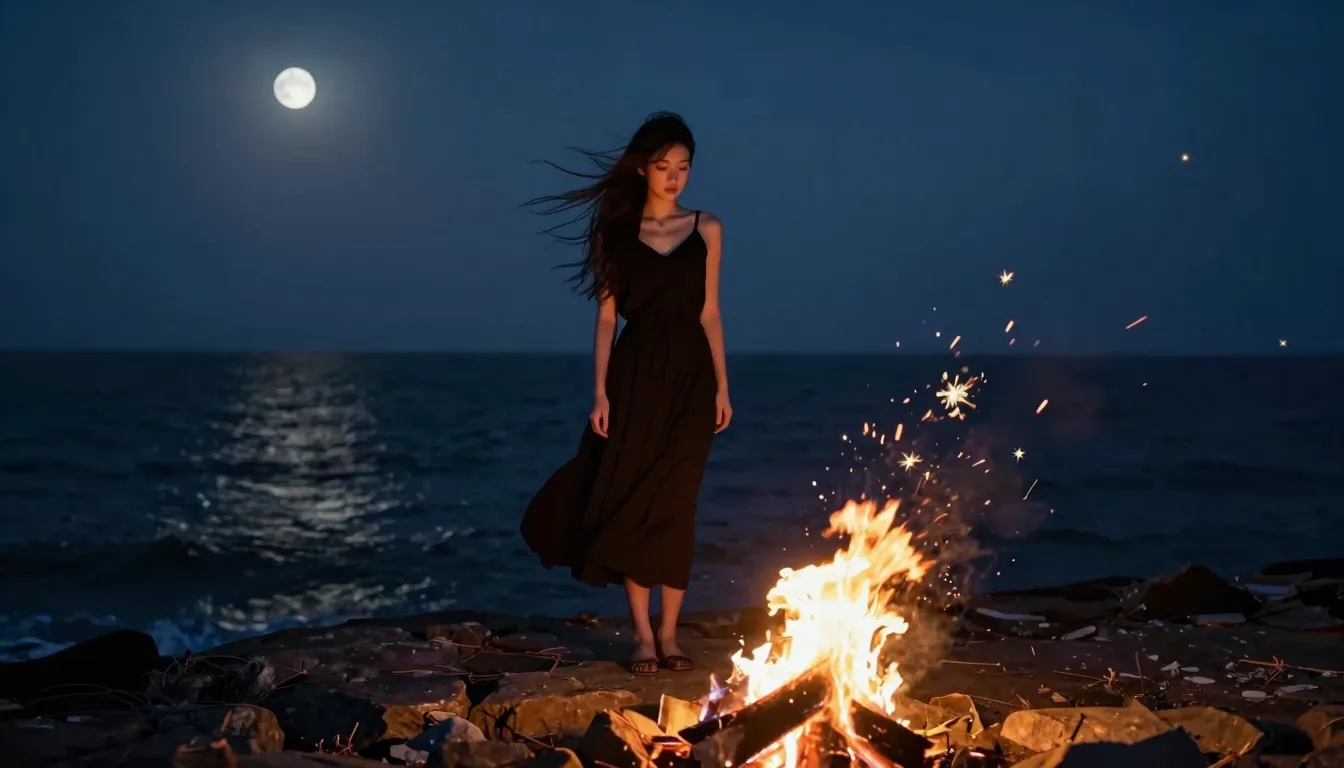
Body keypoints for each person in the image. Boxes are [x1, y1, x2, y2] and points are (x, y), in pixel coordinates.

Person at [520, 112, 732, 676]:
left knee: (677, 501)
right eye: (664, 167)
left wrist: (723, 386)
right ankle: (642, 637)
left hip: (692, 377)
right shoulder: (615, 234)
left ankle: (670, 634)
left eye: (683, 167)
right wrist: (600, 395)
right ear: (643, 168)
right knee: (636, 498)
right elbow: (607, 319)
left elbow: (709, 313)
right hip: (635, 376)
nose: (674, 177)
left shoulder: (707, 228)